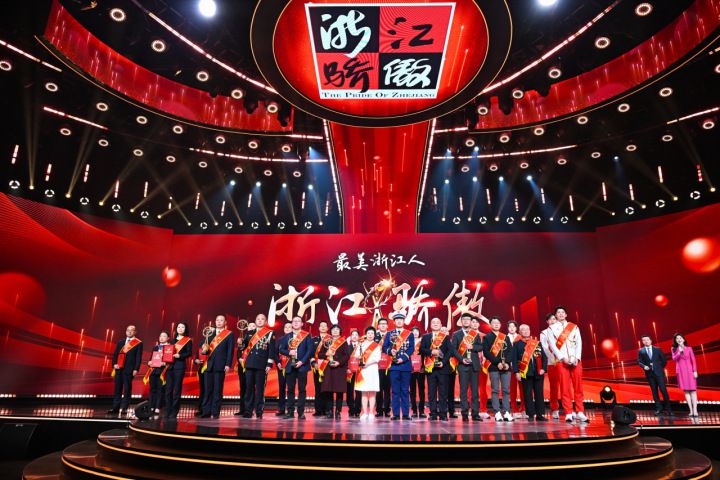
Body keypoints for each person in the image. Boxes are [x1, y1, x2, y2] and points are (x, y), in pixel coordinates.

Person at [548, 306, 588, 423]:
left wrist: (577, 357)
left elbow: (579, 343)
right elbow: (553, 346)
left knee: (578, 387)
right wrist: (562, 358)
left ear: (566, 315)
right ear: (556, 315)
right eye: (558, 312)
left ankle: (580, 411)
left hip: (575, 360)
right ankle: (568, 412)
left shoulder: (574, 327)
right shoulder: (551, 328)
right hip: (562, 361)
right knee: (565, 387)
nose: (560, 314)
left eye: (563, 312)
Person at [240, 314, 275, 418]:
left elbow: (271, 350)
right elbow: (244, 348)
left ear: (265, 322)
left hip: (261, 364)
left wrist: (269, 364)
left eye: (262, 319)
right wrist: (240, 343)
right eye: (258, 319)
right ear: (255, 321)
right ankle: (248, 411)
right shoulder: (249, 333)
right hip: (250, 363)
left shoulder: (269, 333)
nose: (260, 321)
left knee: (260, 389)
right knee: (249, 389)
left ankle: (259, 411)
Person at [199, 315, 234, 418]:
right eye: (217, 320)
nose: (219, 322)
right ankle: (206, 411)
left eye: (221, 320)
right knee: (207, 389)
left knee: (217, 390)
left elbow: (230, 350)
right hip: (208, 365)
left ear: (225, 322)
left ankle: (215, 412)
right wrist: (203, 347)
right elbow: (204, 346)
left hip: (221, 365)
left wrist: (228, 364)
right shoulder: (210, 333)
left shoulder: (229, 334)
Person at [451, 313, 483, 421]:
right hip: (462, 365)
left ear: (470, 322)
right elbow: (454, 350)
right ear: (461, 321)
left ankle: (475, 413)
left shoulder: (475, 334)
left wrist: (473, 347)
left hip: (474, 365)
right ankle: (464, 413)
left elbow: (480, 347)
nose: (466, 321)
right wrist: (461, 359)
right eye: (464, 319)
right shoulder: (456, 334)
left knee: (475, 391)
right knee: (463, 390)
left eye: (468, 319)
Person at [383, 312, 414, 420]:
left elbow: (411, 348)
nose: (399, 321)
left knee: (405, 390)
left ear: (404, 321)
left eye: (401, 319)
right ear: (394, 322)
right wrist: (390, 351)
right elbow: (384, 347)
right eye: (397, 320)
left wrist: (403, 358)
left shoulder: (409, 334)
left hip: (405, 365)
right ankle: (395, 413)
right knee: (395, 391)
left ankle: (405, 414)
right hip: (393, 366)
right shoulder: (389, 334)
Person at [279, 316, 312, 419]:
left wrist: (302, 361)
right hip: (290, 365)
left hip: (302, 365)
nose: (296, 323)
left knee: (302, 389)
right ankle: (290, 412)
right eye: (294, 321)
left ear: (302, 324)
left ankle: (301, 412)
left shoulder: (306, 335)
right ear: (292, 323)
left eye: (298, 321)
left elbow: (309, 351)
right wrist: (289, 352)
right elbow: (281, 349)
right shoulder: (287, 336)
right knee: (290, 389)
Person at [513, 324, 547, 421]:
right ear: (520, 332)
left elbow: (543, 357)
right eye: (523, 330)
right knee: (527, 394)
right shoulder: (517, 344)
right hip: (525, 372)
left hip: (538, 372)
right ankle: (530, 415)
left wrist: (544, 368)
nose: (526, 331)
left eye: (527, 329)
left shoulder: (536, 343)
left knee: (539, 394)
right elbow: (514, 359)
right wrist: (516, 372)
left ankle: (540, 415)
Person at [483, 316, 513, 422]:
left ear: (500, 325)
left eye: (498, 323)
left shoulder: (505, 337)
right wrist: (497, 363)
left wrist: (507, 363)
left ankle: (507, 412)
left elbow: (510, 351)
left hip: (506, 367)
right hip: (494, 367)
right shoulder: (487, 337)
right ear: (490, 325)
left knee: (506, 390)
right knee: (495, 390)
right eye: (494, 323)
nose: (496, 324)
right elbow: (486, 352)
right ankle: (497, 412)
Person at [421, 317, 451, 421]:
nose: (435, 324)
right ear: (430, 325)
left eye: (437, 322)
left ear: (441, 324)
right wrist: (431, 352)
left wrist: (443, 362)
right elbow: (421, 349)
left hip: (443, 368)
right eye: (433, 322)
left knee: (443, 392)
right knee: (431, 392)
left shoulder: (445, 337)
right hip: (431, 368)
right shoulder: (426, 337)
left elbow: (450, 351)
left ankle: (443, 414)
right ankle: (433, 413)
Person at [108, 325, 143, 415]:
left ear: (135, 332)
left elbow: (138, 357)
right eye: (128, 330)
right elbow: (115, 354)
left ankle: (124, 408)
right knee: (117, 389)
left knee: (127, 389)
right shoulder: (121, 342)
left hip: (129, 369)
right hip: (119, 369)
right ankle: (115, 408)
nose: (129, 332)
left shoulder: (138, 343)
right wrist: (114, 364)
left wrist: (136, 369)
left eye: (132, 330)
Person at [318, 324, 350, 419]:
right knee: (329, 391)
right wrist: (326, 354)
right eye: (333, 329)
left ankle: (338, 411)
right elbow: (320, 354)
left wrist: (338, 362)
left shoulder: (343, 342)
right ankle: (330, 411)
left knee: (339, 391)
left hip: (340, 369)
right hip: (328, 369)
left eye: (337, 329)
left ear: (340, 331)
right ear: (330, 331)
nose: (335, 331)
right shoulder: (327, 341)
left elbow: (346, 355)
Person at [638, 334, 672, 416]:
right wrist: (644, 366)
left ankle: (668, 409)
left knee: (663, 390)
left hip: (659, 373)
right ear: (642, 342)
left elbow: (664, 360)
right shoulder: (641, 351)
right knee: (654, 391)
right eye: (644, 340)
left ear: (650, 341)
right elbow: (639, 361)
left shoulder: (657, 349)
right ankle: (659, 409)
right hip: (649, 374)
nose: (646, 341)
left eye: (647, 340)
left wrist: (659, 368)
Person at [165, 322, 192, 419]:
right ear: (176, 329)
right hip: (170, 367)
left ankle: (174, 411)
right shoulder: (172, 341)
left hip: (179, 367)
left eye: (182, 327)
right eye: (179, 327)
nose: (180, 328)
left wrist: (180, 355)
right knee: (168, 390)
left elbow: (189, 353)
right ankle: (168, 410)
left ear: (185, 329)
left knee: (176, 390)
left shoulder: (188, 340)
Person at [355, 326, 381, 420]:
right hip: (363, 370)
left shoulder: (376, 345)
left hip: (372, 369)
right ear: (366, 334)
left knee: (372, 392)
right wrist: (359, 357)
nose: (370, 335)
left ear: (374, 335)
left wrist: (367, 363)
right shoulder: (361, 344)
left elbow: (377, 358)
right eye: (368, 333)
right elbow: (356, 355)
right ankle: (365, 412)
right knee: (364, 392)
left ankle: (371, 413)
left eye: (372, 333)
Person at [540, 313, 561, 419]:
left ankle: (570, 409)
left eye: (554, 319)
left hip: (563, 361)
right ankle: (555, 408)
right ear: (547, 321)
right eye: (550, 319)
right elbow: (544, 348)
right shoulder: (544, 333)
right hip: (552, 362)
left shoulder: (562, 331)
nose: (552, 321)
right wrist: (554, 358)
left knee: (565, 386)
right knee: (554, 387)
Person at [672, 333, 699, 417]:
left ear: (683, 339)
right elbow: (674, 358)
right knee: (686, 391)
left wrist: (695, 371)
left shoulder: (689, 348)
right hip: (680, 371)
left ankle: (695, 410)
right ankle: (691, 410)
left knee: (693, 391)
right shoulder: (674, 349)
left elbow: (693, 360)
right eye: (677, 338)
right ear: (676, 341)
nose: (679, 339)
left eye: (680, 338)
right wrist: (679, 352)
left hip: (689, 371)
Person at [145, 331, 170, 415]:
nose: (161, 338)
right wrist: (149, 362)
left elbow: (169, 360)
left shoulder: (169, 347)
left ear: (168, 338)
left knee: (160, 389)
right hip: (153, 370)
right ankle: (151, 406)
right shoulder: (155, 347)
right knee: (152, 389)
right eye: (160, 336)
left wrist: (165, 363)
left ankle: (158, 407)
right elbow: (151, 358)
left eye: (164, 336)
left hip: (162, 371)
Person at [234, 321, 255, 416]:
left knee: (250, 388)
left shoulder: (256, 339)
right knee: (242, 387)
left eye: (253, 326)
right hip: (242, 365)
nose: (251, 327)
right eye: (249, 326)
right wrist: (239, 358)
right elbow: (239, 351)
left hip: (251, 365)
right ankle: (242, 409)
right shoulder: (243, 338)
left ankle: (249, 409)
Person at [471, 317, 490, 419]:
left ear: (479, 324)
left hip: (482, 364)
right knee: (471, 389)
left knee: (483, 388)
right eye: (472, 322)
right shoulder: (467, 336)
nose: (474, 324)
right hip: (470, 364)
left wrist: (484, 359)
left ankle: (483, 409)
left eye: (476, 322)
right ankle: (472, 410)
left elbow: (487, 350)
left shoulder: (484, 336)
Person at [506, 320, 526, 418]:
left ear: (516, 328)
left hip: (521, 367)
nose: (512, 328)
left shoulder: (521, 338)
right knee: (512, 389)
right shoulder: (505, 338)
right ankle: (514, 409)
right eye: (510, 327)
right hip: (510, 367)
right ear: (507, 328)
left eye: (513, 326)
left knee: (523, 388)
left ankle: (524, 409)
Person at [310, 321, 330, 416]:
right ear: (318, 328)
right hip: (317, 367)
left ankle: (327, 410)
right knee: (318, 388)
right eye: (321, 326)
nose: (323, 327)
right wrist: (314, 363)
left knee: (327, 388)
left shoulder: (331, 339)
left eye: (324, 326)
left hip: (327, 367)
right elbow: (311, 353)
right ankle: (318, 410)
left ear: (327, 328)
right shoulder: (314, 339)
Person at [374, 318, 392, 417]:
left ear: (387, 326)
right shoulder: (374, 336)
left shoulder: (392, 336)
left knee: (387, 389)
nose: (383, 325)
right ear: (378, 326)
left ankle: (387, 409)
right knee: (378, 389)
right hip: (377, 366)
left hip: (388, 366)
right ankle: (379, 410)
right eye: (381, 324)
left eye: (385, 324)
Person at [275, 322, 293, 416]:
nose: (287, 328)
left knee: (290, 388)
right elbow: (275, 352)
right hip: (281, 366)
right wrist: (277, 362)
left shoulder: (295, 339)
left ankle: (290, 409)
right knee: (281, 387)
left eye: (289, 327)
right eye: (286, 327)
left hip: (291, 366)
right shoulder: (279, 340)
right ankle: (281, 409)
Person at [409, 326, 426, 418]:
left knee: (421, 390)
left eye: (417, 331)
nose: (415, 333)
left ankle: (422, 410)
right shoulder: (408, 342)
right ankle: (414, 410)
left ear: (419, 333)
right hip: (411, 369)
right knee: (412, 390)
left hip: (421, 368)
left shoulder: (423, 341)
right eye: (413, 331)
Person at [345, 330, 362, 418]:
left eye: (356, 335)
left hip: (359, 371)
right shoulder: (347, 347)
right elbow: (344, 359)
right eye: (353, 335)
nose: (354, 336)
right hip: (349, 372)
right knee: (349, 391)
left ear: (359, 337)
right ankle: (351, 408)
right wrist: (346, 368)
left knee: (359, 391)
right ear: (351, 337)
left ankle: (357, 409)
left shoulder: (362, 347)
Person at [442, 325, 457, 417]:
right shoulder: (436, 342)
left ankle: (451, 410)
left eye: (446, 330)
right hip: (441, 368)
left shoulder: (452, 342)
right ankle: (442, 410)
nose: (444, 332)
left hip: (451, 368)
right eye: (442, 330)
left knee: (451, 390)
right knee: (442, 390)